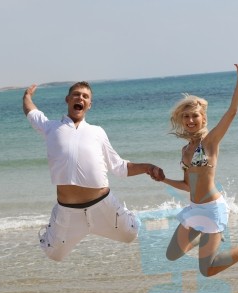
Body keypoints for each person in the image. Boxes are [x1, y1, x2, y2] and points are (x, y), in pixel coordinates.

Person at [23, 81, 164, 262]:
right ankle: (53, 228)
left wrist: (148, 167)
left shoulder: (97, 132)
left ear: (89, 105)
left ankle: (127, 214)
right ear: (67, 99)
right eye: (76, 94)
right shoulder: (51, 127)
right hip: (68, 211)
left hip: (103, 205)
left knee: (130, 235)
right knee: (54, 254)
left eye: (85, 96)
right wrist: (26, 96)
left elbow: (119, 167)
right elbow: (31, 112)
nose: (80, 98)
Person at [153, 55, 238, 277]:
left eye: (194, 116)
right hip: (195, 209)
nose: (190, 120)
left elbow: (232, 112)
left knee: (207, 270)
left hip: (212, 210)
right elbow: (189, 185)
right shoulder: (186, 149)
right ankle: (207, 238)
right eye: (185, 116)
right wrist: (163, 179)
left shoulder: (210, 141)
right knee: (172, 254)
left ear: (203, 118)